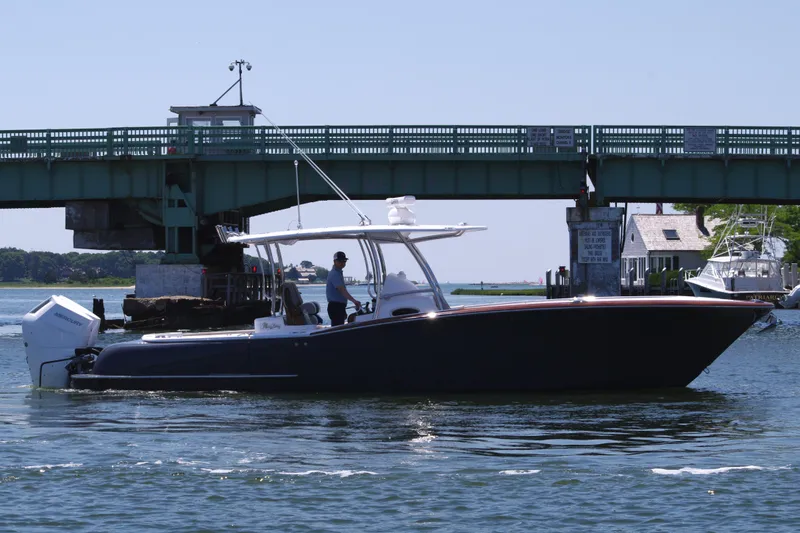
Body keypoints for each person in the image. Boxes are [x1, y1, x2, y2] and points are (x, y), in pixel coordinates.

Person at [326, 251, 361, 326]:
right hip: (335, 307)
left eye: (344, 261)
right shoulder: (334, 274)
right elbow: (341, 290)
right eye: (340, 261)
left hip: (339, 306)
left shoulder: (338, 273)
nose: (342, 263)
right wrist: (354, 301)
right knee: (337, 330)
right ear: (334, 261)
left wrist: (343, 309)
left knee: (338, 328)